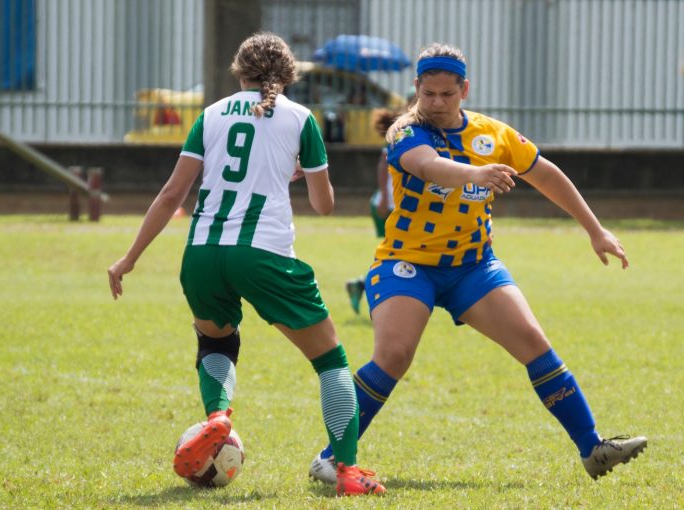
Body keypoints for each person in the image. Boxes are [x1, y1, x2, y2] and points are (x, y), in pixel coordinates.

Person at [309, 42, 647, 484]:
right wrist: (475, 173)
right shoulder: (404, 130)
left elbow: (545, 173)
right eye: (427, 93)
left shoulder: (493, 134)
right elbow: (427, 166)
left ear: (465, 89)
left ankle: (593, 448)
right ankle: (330, 458)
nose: (434, 103)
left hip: (473, 266)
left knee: (533, 341)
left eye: (446, 94)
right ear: (417, 88)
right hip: (407, 264)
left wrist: (594, 229)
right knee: (393, 354)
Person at [107, 32, 384, 497]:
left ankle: (217, 416)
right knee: (330, 359)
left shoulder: (210, 115)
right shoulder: (300, 118)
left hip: (201, 254)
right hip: (263, 254)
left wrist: (129, 258)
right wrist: (298, 172)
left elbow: (173, 194)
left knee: (216, 342)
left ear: (239, 73)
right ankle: (348, 470)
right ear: (289, 77)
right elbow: (325, 204)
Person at [345, 108, 400, 314]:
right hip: (389, 206)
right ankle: (364, 286)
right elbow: (382, 166)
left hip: (393, 205)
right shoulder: (400, 134)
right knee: (397, 256)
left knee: (398, 256)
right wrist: (385, 199)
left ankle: (363, 285)